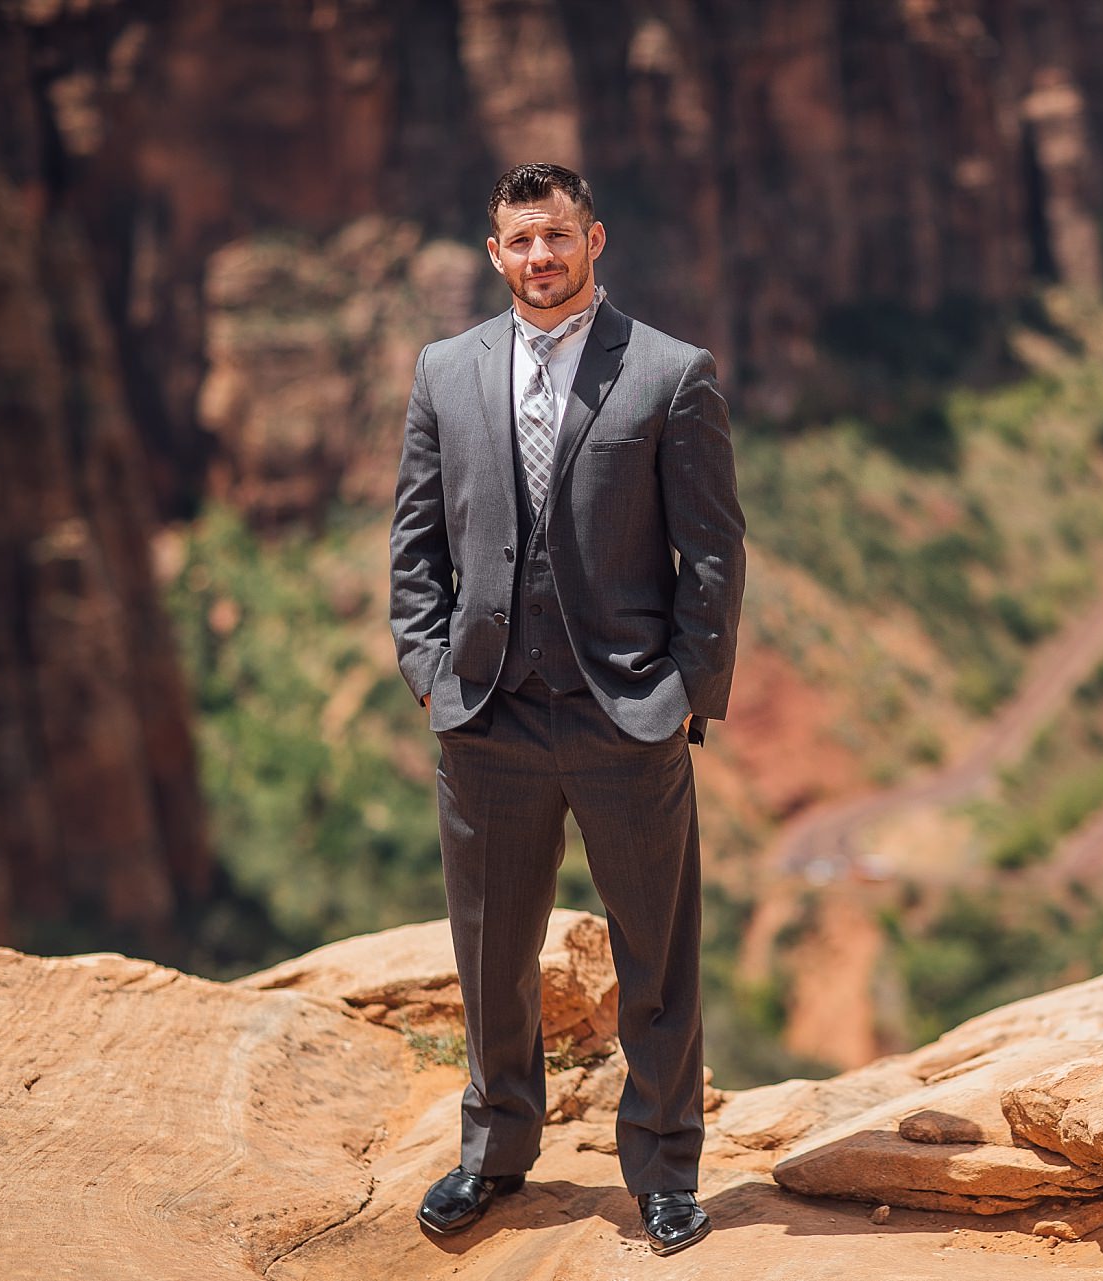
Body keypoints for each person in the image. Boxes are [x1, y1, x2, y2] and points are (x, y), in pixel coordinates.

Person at [388, 161, 744, 1256]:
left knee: (656, 952)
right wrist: (432, 676)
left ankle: (666, 1171)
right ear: (495, 256)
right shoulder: (445, 371)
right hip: (487, 717)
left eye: (557, 236)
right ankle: (494, 1155)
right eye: (520, 242)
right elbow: (416, 547)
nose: (540, 258)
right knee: (493, 952)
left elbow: (714, 554)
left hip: (626, 716)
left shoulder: (670, 373)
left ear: (596, 239)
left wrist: (685, 692)